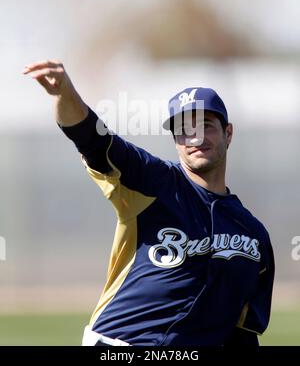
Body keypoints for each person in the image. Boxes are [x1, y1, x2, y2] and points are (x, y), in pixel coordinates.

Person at [22, 60, 274, 347]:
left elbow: (242, 334)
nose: (195, 137)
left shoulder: (253, 236)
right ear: (176, 140)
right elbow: (92, 139)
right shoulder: (154, 182)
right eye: (184, 129)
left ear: (228, 133)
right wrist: (64, 94)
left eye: (206, 125)